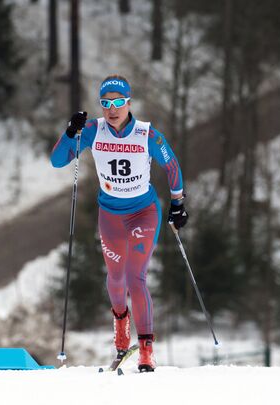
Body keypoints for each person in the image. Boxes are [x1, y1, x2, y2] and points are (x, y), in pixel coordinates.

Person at [50, 75, 188, 372]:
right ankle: (121, 324)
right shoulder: (91, 130)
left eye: (117, 102)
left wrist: (178, 202)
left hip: (143, 213)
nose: (111, 109)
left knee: (134, 275)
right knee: (115, 278)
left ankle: (147, 350)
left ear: (128, 102)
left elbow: (171, 164)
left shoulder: (146, 134)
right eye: (105, 103)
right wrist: (69, 132)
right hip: (110, 215)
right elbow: (58, 161)